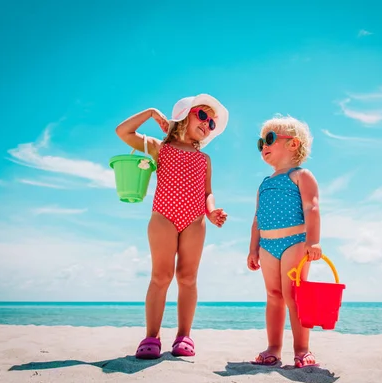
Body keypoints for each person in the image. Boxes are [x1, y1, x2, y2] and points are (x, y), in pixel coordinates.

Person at [116, 94, 229, 359]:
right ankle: (152, 336)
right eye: (202, 115)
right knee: (161, 276)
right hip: (163, 217)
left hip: (195, 219)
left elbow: (207, 192)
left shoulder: (204, 159)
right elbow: (123, 132)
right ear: (183, 115)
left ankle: (183, 336)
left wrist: (211, 212)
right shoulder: (160, 148)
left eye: (212, 123)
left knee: (188, 278)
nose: (207, 123)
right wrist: (152, 112)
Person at [247, 115, 322, 368]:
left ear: (293, 144)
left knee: (295, 295)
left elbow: (312, 208)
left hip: (295, 242)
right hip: (267, 246)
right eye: (260, 143)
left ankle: (302, 349)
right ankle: (273, 349)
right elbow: (257, 218)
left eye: (269, 139)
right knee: (273, 295)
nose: (263, 146)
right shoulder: (264, 183)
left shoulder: (301, 175)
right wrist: (253, 248)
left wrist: (313, 241)